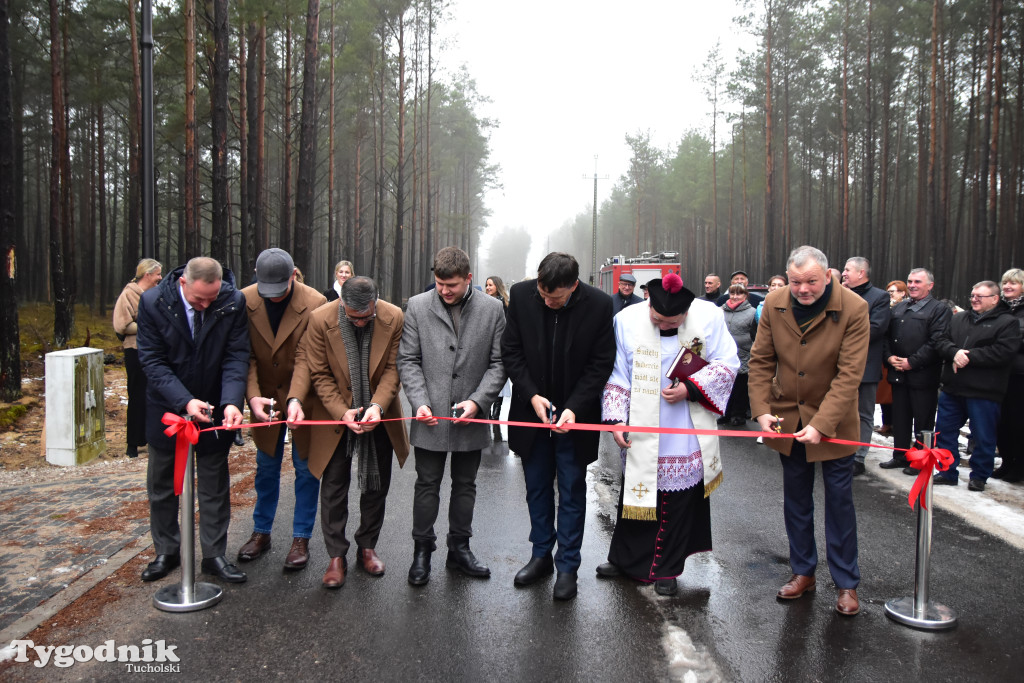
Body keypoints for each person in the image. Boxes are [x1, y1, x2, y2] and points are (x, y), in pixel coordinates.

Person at [598, 274, 738, 596]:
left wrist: (690, 388)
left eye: (671, 322)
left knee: (676, 500)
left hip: (686, 425)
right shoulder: (626, 320)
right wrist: (617, 419)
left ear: (686, 314)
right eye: (657, 319)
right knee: (635, 490)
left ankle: (666, 569)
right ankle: (624, 559)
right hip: (641, 423)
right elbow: (617, 372)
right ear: (648, 303)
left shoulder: (710, 317)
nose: (662, 326)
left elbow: (727, 364)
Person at [748, 246, 869, 617]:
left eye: (812, 281)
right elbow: (761, 360)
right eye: (797, 281)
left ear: (829, 275)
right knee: (796, 501)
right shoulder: (774, 303)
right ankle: (803, 571)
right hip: (789, 420)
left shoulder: (854, 308)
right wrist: (762, 411)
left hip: (835, 424)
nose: (803, 289)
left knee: (839, 502)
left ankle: (846, 582)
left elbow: (850, 376)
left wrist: (822, 424)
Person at [501, 252, 615, 601]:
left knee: (571, 493)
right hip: (530, 413)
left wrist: (574, 409)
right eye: (543, 294)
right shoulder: (521, 296)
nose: (549, 302)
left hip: (573, 420)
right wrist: (532, 395)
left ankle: (567, 566)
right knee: (536, 488)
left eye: (557, 298)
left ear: (574, 286)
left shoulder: (598, 304)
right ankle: (540, 557)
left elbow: (600, 364)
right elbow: (511, 351)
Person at [287, 276, 409, 588]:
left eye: (366, 317)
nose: (359, 323)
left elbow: (394, 369)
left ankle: (367, 547)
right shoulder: (320, 320)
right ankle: (336, 555)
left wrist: (377, 408)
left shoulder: (393, 316)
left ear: (375, 304)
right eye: (353, 318)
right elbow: (319, 373)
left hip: (377, 415)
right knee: (333, 487)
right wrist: (343, 412)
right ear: (342, 303)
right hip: (336, 413)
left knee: (376, 484)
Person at [136, 257, 250, 584]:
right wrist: (184, 401)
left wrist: (231, 402)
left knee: (214, 485)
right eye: (199, 299)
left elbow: (236, 355)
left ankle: (214, 555)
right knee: (162, 485)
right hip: (168, 409)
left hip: (215, 407)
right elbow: (153, 361)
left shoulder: (232, 301)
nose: (205, 306)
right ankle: (166, 551)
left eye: (211, 299)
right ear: (183, 283)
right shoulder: (153, 302)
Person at [397, 247, 508, 586]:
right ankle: (422, 551)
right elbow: (408, 360)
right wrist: (419, 402)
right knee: (426, 484)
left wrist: (478, 402)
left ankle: (459, 549)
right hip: (429, 416)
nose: (445, 290)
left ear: (469, 280)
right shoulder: (417, 306)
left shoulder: (492, 310)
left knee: (465, 486)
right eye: (440, 283)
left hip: (470, 417)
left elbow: (499, 363)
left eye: (453, 285)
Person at [235, 248, 327, 571]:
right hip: (264, 398)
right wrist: (252, 397)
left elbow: (308, 357)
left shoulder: (316, 303)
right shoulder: (244, 300)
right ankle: (261, 532)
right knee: (265, 467)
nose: (272, 298)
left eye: (280, 290)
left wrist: (295, 399)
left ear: (294, 275)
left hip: (304, 399)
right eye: (266, 291)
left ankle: (301, 537)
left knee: (305, 470)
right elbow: (242, 356)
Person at [931, 281, 1018, 491]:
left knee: (983, 436)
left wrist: (967, 356)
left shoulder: (1008, 323)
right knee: (944, 432)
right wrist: (954, 352)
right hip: (953, 388)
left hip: (984, 391)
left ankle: (979, 475)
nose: (974, 299)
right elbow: (940, 340)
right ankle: (946, 471)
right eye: (972, 295)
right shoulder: (959, 318)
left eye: (980, 296)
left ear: (995, 299)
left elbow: (1003, 352)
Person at [879, 268, 951, 472]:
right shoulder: (899, 308)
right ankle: (900, 455)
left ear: (930, 285)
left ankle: (921, 460)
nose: (912, 285)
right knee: (900, 419)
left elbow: (936, 341)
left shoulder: (939, 310)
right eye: (910, 281)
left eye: (918, 282)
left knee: (923, 421)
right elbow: (886, 336)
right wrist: (889, 357)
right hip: (899, 374)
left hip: (923, 376)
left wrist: (912, 361)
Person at [841, 257, 891, 476]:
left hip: (865, 366)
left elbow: (876, 329)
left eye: (847, 270)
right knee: (839, 410)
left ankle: (859, 456)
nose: (843, 273)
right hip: (837, 366)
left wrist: (839, 336)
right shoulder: (838, 295)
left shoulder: (879, 297)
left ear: (861, 273)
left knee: (863, 414)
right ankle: (839, 449)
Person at [112, 258, 162, 459]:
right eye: (157, 274)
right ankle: (133, 443)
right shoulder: (128, 295)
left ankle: (151, 438)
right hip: (135, 351)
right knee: (137, 396)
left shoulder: (155, 295)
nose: (160, 277)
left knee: (154, 396)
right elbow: (121, 325)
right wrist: (149, 326)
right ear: (147, 274)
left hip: (154, 351)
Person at [994, 268, 1024, 482]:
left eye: (1013, 283)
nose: (1007, 287)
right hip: (997, 372)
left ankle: (1019, 466)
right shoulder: (998, 308)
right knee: (1001, 421)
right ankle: (1006, 461)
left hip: (1019, 373)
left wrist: (1008, 343)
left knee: (1018, 421)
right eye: (1005, 283)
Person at [874, 280, 910, 437]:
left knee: (894, 396)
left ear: (903, 293)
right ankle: (887, 422)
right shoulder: (885, 307)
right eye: (888, 292)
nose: (890, 295)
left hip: (902, 358)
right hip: (886, 357)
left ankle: (896, 424)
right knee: (884, 396)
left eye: (893, 292)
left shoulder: (905, 309)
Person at [720, 283, 757, 427]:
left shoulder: (753, 312)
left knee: (740, 388)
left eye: (739, 293)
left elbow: (756, 335)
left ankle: (738, 415)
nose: (735, 297)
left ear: (745, 295)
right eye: (732, 293)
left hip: (744, 355)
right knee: (726, 386)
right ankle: (726, 413)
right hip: (726, 355)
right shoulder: (721, 311)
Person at [485, 275, 512, 437]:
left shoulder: (504, 304)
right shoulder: (482, 302)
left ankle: (495, 414)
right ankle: (487, 412)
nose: (488, 287)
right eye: (486, 285)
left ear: (497, 286)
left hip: (500, 347)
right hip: (485, 347)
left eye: (491, 285)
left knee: (499, 380)